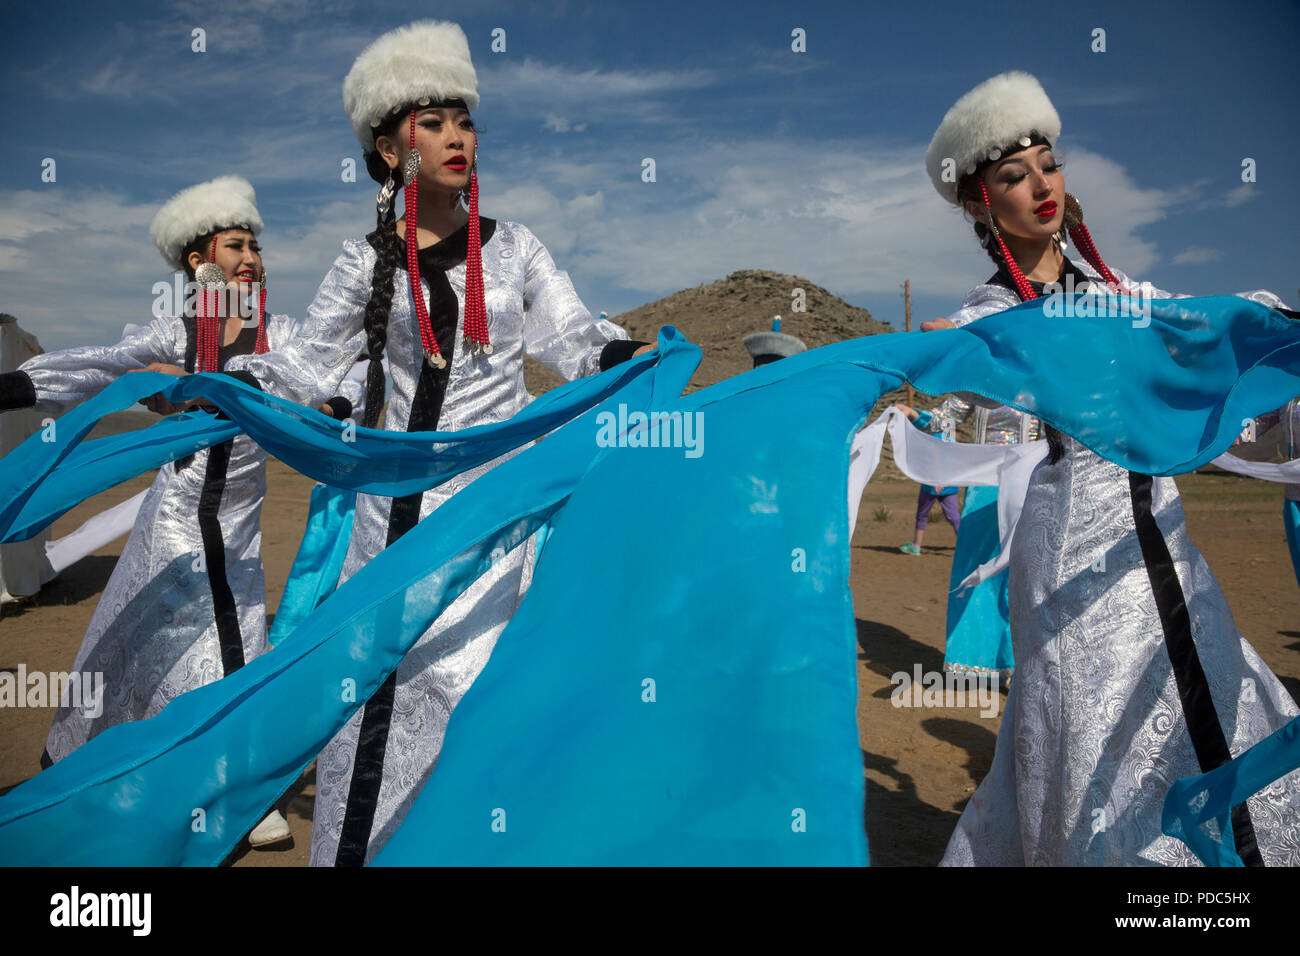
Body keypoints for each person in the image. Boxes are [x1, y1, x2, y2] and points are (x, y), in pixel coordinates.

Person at [223, 20, 651, 865]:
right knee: (383, 701)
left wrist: (623, 354)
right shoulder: (360, 263)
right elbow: (307, 365)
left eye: (465, 119)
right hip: (393, 529)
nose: (457, 136)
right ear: (390, 149)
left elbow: (572, 335)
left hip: (499, 519)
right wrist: (228, 384)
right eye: (432, 121)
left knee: (485, 693)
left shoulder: (518, 247)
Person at [920, 72, 1300, 865]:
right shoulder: (991, 320)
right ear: (978, 202)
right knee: (1095, 745)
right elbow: (984, 420)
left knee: (1209, 700)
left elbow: (1202, 345)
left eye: (1048, 165)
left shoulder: (1130, 294)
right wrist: (945, 365)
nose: (1040, 186)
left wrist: (1269, 338)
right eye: (1013, 176)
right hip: (1065, 562)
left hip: (1162, 541)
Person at [0, 175, 348, 846]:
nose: (252, 258)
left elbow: (334, 375)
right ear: (198, 260)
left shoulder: (284, 333)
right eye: (237, 245)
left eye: (256, 246)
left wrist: (331, 406)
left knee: (231, 646)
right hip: (174, 520)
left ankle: (232, 790)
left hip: (240, 526)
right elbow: (101, 367)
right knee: (139, 648)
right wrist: (18, 386)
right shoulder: (174, 330)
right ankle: (92, 769)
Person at [891, 403, 960, 555]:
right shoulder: (949, 436)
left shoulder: (935, 435)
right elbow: (951, 456)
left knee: (923, 514)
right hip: (946, 482)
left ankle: (916, 546)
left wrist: (938, 480)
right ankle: (964, 546)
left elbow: (940, 457)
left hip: (934, 482)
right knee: (953, 517)